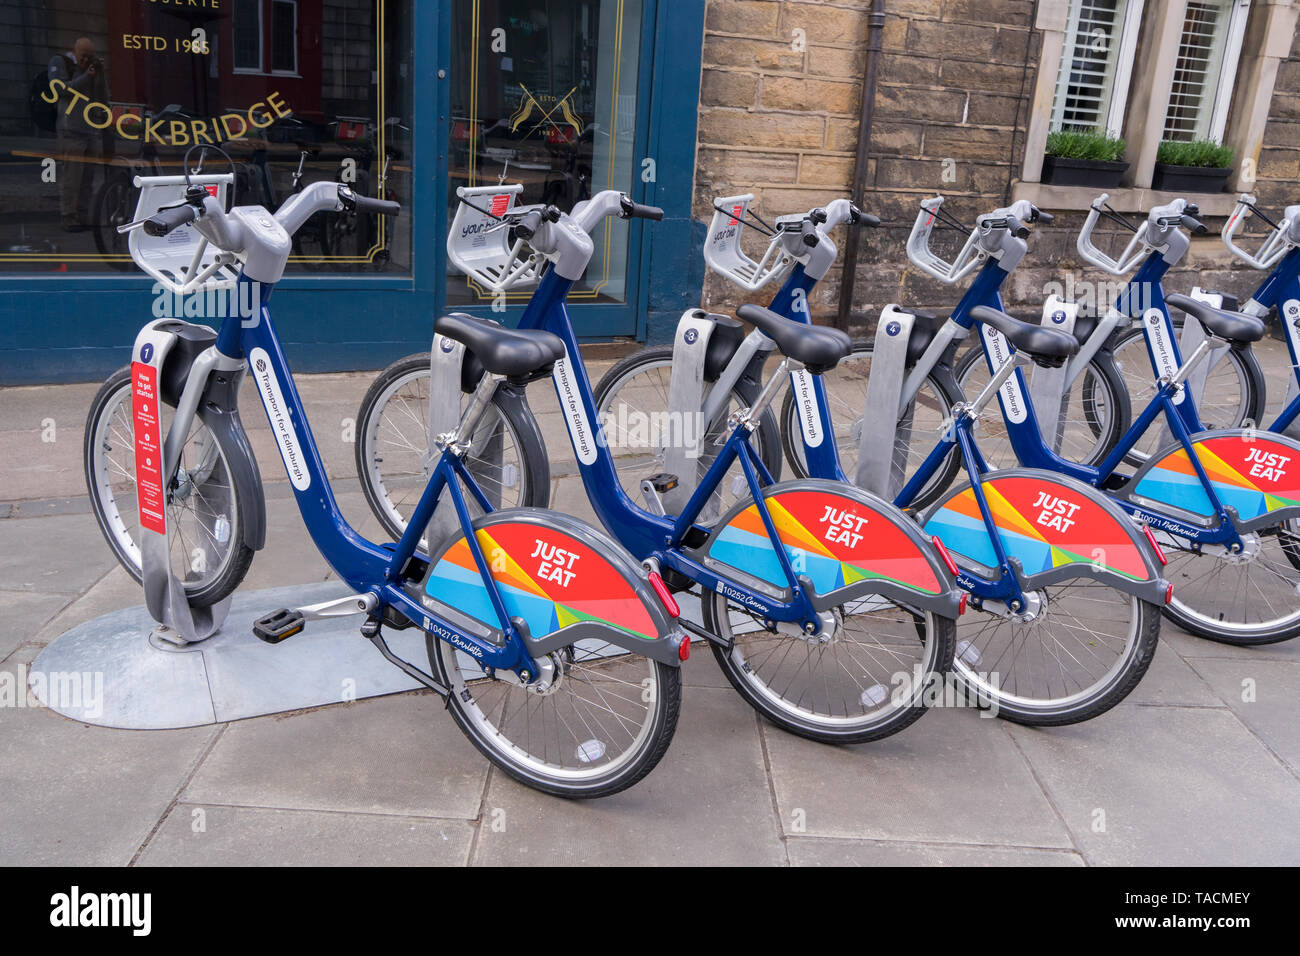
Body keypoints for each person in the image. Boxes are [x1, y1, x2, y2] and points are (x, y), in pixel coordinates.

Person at [50, 37, 109, 232]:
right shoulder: (61, 63)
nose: (86, 61)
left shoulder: (91, 71)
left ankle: (83, 217)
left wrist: (100, 75)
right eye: (83, 56)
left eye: (90, 57)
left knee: (88, 181)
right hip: (71, 132)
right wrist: (86, 76)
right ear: (74, 52)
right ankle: (69, 217)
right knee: (71, 180)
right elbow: (60, 91)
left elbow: (103, 98)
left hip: (91, 131)